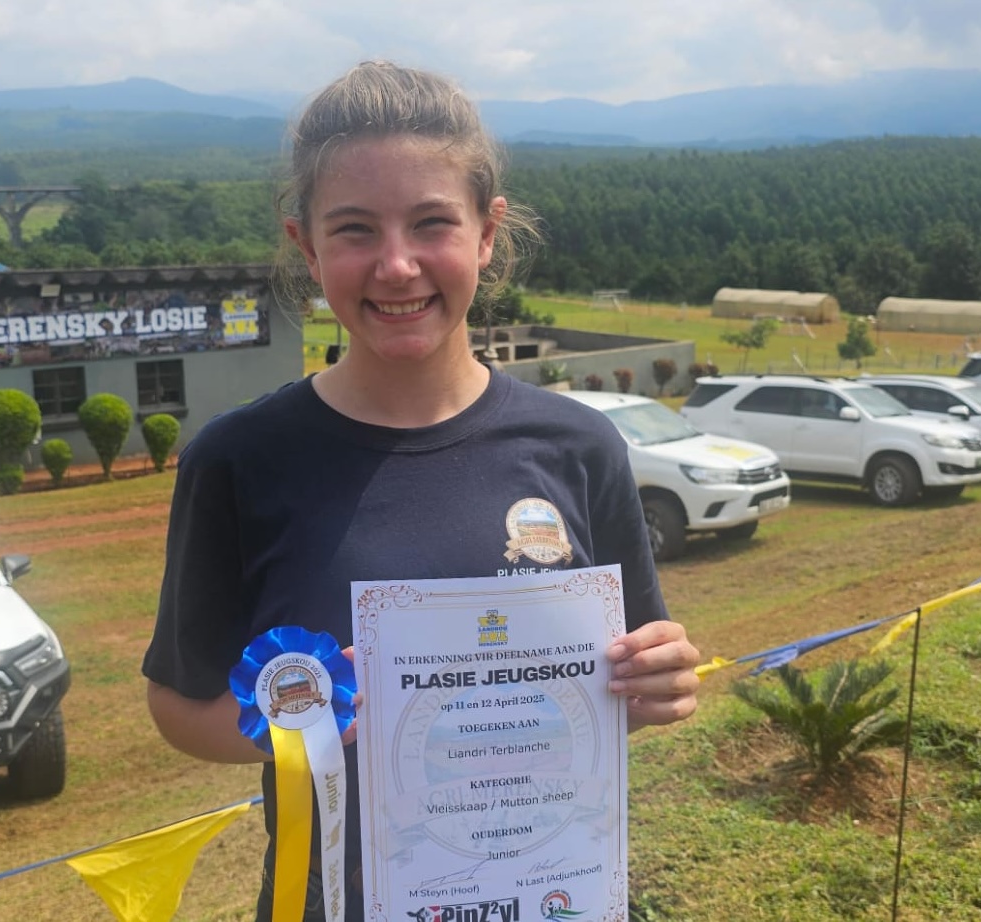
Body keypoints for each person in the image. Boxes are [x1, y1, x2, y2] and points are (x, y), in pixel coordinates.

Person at [141, 60, 701, 921]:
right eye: (355, 230)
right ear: (307, 245)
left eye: (432, 223)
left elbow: (607, 689)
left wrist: (655, 681)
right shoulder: (239, 459)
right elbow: (179, 708)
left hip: (550, 897)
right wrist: (310, 726)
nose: (396, 266)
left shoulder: (578, 446)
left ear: (486, 233)